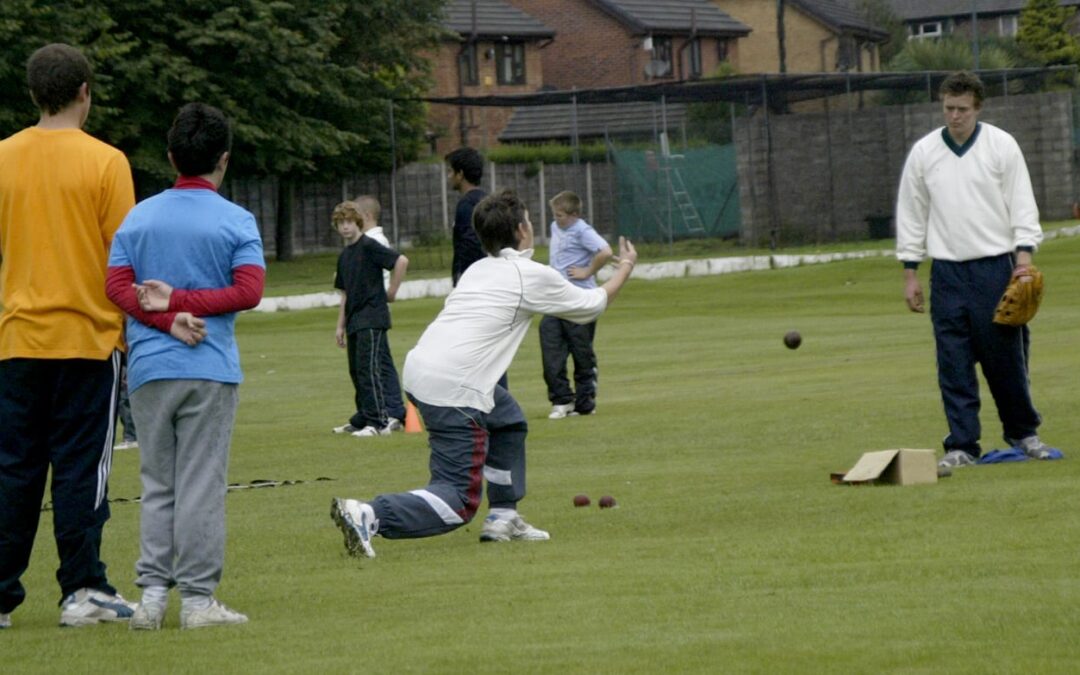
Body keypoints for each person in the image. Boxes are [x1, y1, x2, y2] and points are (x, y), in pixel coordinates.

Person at [330, 190, 637, 558]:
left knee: (507, 421)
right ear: (523, 230)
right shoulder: (530, 274)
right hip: (456, 386)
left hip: (423, 369)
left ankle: (504, 515)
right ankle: (370, 513)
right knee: (457, 499)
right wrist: (625, 267)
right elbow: (592, 306)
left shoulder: (478, 267)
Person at [105, 102, 265, 629]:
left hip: (149, 367)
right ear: (224, 158)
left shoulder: (139, 215)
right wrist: (187, 305)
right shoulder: (236, 219)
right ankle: (197, 601)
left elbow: (116, 288)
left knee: (158, 483)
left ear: (171, 156)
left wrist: (168, 314)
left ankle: (151, 598)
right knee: (200, 485)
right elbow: (250, 291)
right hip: (210, 366)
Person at [0, 43, 137, 629]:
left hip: (16, 340)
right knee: (83, 471)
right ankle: (82, 589)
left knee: (13, 470)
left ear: (34, 94)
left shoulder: (3, 157)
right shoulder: (107, 162)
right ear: (86, 91)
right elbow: (123, 260)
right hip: (87, 339)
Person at [895, 70, 1052, 469]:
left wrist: (1023, 261)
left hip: (994, 268)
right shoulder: (925, 152)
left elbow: (1021, 203)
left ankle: (1023, 432)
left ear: (977, 108)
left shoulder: (1001, 146)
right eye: (948, 108)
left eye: (962, 109)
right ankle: (962, 444)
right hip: (947, 272)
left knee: (1005, 360)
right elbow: (912, 214)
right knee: (953, 361)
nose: (954, 116)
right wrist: (910, 271)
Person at [329, 199, 410, 437]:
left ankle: (378, 422)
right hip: (354, 319)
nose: (345, 227)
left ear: (358, 223)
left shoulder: (370, 246)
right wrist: (339, 327)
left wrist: (391, 293)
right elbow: (344, 295)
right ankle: (364, 416)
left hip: (372, 317)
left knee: (369, 369)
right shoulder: (344, 256)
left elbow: (401, 261)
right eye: (340, 223)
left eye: (348, 222)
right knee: (356, 370)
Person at [540, 191, 613, 419]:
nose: (556, 219)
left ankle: (585, 402)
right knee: (551, 348)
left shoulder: (582, 230)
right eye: (555, 215)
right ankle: (561, 400)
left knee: (581, 353)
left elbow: (605, 251)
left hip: (580, 300)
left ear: (574, 215)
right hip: (556, 300)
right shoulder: (555, 227)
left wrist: (588, 271)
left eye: (560, 215)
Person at [446, 147, 486, 286]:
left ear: (460, 174)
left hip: (472, 280)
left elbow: (469, 244)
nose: (448, 176)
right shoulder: (487, 200)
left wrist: (461, 279)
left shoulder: (466, 205)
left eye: (451, 171)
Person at [114, 353, 138, 450]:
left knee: (125, 403)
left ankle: (131, 437)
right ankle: (131, 436)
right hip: (126, 363)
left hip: (127, 364)